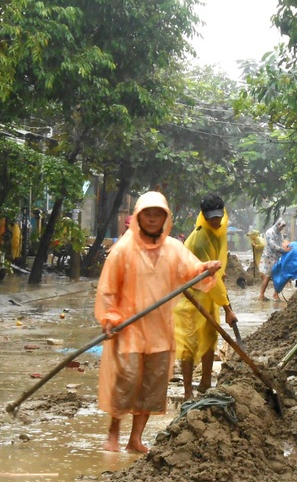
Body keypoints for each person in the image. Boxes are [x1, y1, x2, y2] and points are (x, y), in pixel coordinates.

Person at [94, 191, 220, 453]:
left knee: (152, 387)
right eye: (147, 214)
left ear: (165, 218)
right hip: (128, 328)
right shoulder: (122, 250)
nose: (152, 219)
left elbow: (192, 270)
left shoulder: (173, 248)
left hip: (160, 331)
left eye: (158, 214)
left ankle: (135, 439)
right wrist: (109, 318)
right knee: (125, 383)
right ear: (139, 217)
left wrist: (206, 269)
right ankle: (114, 434)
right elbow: (107, 289)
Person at [173, 194, 237, 401]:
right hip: (190, 294)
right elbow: (213, 279)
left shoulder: (220, 228)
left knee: (210, 336)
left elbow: (217, 275)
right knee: (189, 341)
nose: (216, 221)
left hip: (208, 293)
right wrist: (227, 308)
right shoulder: (200, 239)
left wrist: (225, 305)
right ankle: (188, 392)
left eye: (218, 217)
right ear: (203, 216)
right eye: (211, 218)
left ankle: (206, 383)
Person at [258, 217, 291, 301]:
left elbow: (281, 243)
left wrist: (286, 248)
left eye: (283, 227)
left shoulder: (280, 234)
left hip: (277, 257)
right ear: (277, 224)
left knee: (280, 275)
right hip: (269, 257)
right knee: (268, 276)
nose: (282, 228)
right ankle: (262, 295)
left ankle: (275, 294)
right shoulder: (269, 232)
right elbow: (272, 245)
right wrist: (283, 250)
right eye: (281, 226)